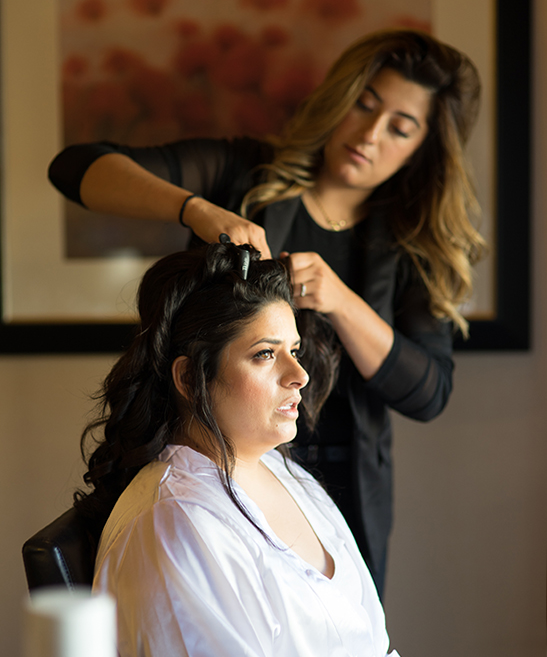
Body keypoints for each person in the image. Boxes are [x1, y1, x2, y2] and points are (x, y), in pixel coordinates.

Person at [49, 29, 485, 597]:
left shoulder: (413, 242)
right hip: (214, 464)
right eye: (365, 104)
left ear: (422, 148)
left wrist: (341, 300)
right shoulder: (243, 173)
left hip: (342, 488)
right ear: (340, 97)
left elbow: (427, 392)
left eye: (400, 128)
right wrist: (196, 209)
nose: (370, 135)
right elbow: (74, 168)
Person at [84, 240, 447, 657]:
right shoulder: (173, 529)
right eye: (264, 355)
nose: (298, 375)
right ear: (190, 377)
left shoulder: (286, 473)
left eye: (293, 351)